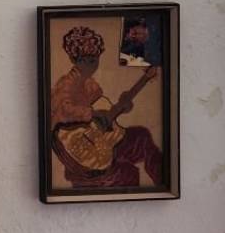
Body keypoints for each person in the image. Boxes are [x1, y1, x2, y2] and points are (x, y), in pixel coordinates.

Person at [51, 26, 162, 187]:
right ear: (73, 59)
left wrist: (122, 106)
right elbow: (62, 110)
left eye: (94, 60)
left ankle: (163, 181)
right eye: (84, 60)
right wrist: (93, 114)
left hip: (99, 142)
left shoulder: (92, 86)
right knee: (127, 173)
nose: (90, 65)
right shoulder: (66, 83)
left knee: (142, 136)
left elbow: (106, 116)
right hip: (75, 151)